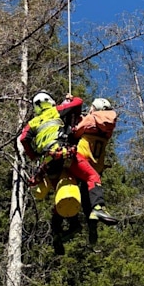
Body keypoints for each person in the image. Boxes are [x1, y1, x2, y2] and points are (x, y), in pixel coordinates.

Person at [18, 91, 117, 253]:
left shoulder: (33, 122)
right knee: (90, 178)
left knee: (63, 189)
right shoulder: (56, 111)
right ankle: (97, 209)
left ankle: (63, 228)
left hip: (49, 163)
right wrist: (68, 101)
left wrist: (33, 154)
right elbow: (78, 103)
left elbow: (23, 139)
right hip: (66, 155)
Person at [72, 96, 119, 247]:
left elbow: (75, 133)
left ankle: (96, 210)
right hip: (94, 165)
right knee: (89, 190)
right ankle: (92, 219)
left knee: (89, 181)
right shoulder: (109, 127)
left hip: (80, 161)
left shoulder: (90, 119)